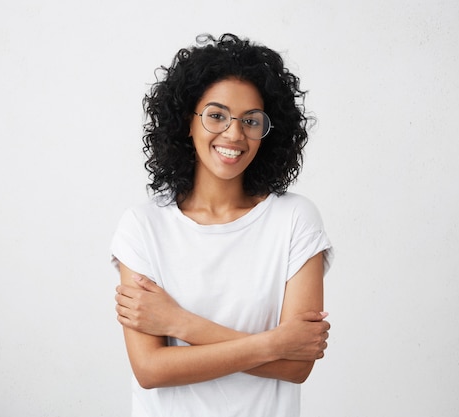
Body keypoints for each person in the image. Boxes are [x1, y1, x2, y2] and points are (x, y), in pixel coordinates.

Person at [111, 33, 333, 417]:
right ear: (187, 121)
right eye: (217, 115)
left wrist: (178, 323)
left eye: (251, 120)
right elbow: (150, 369)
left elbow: (297, 367)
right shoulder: (142, 227)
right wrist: (275, 344)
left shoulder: (295, 220)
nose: (234, 134)